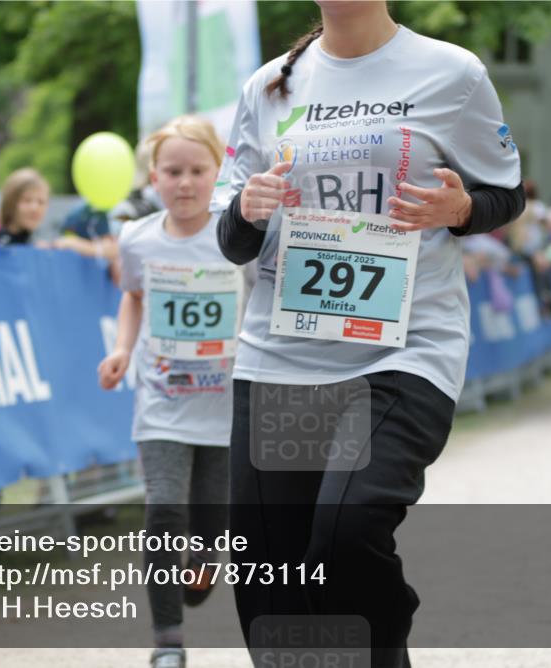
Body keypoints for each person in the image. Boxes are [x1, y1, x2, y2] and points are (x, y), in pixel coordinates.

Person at [213, 2, 524, 665]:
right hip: (278, 359)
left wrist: (461, 208)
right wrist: (248, 208)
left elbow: (505, 192)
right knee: (271, 586)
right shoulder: (268, 87)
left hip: (404, 352)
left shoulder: (453, 73)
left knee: (346, 535)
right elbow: (231, 239)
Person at [97, 116, 237, 668]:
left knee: (208, 529)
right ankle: (168, 643)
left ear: (217, 172)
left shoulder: (235, 237)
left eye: (198, 170)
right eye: (173, 171)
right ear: (154, 177)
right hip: (161, 402)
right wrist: (122, 349)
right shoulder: (138, 238)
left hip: (224, 408)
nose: (185, 182)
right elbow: (133, 296)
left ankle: (199, 570)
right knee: (162, 511)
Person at [0, 167, 49, 247]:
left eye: (41, 202)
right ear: (10, 203)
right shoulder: (0, 245)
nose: (34, 208)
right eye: (27, 200)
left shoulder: (36, 242)